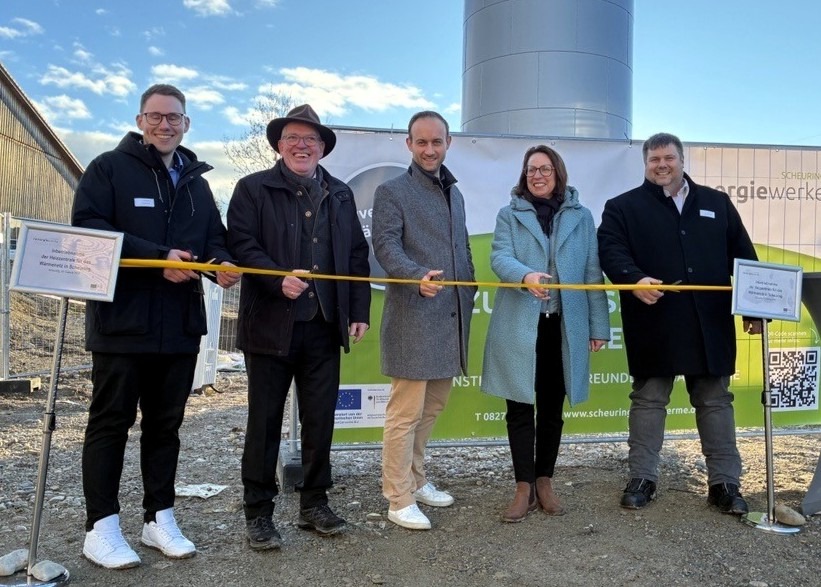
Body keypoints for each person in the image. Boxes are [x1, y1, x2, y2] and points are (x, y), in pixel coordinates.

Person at [72, 84, 240, 569]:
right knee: (111, 423)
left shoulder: (197, 184)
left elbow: (214, 238)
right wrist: (156, 257)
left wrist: (221, 265)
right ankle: (101, 527)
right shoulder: (108, 168)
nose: (165, 125)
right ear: (140, 120)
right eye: (156, 116)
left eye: (174, 117)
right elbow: (89, 229)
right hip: (122, 324)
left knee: (166, 426)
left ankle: (158, 517)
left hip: (179, 326)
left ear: (187, 123)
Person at [226, 104, 371, 550]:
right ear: (279, 144)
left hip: (324, 326)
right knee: (264, 423)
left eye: (310, 139)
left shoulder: (341, 194)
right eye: (293, 137)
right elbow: (241, 243)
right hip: (270, 326)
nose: (302, 145)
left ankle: (314, 503)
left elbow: (356, 255)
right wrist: (276, 279)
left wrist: (358, 310)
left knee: (320, 421)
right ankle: (258, 512)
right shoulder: (252, 189)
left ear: (322, 147)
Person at [597, 132, 762, 515]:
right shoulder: (622, 207)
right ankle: (642, 479)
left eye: (668, 158)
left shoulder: (717, 203)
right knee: (649, 400)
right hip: (654, 321)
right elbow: (610, 249)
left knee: (715, 401)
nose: (662, 165)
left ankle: (724, 484)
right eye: (654, 159)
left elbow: (744, 256)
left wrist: (754, 309)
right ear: (645, 163)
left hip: (710, 323)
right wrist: (634, 278)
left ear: (682, 160)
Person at [482, 145, 610, 522]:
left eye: (545, 169)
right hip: (518, 325)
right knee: (519, 407)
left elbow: (592, 274)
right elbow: (499, 257)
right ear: (524, 175)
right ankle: (523, 487)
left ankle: (544, 481)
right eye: (531, 169)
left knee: (552, 408)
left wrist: (598, 326)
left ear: (558, 173)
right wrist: (525, 275)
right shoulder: (509, 214)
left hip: (563, 326)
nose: (537, 176)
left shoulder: (582, 217)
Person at [372, 111, 476, 530]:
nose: (429, 149)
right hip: (414, 318)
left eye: (436, 141)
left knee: (431, 409)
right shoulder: (391, 191)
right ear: (409, 145)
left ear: (448, 143)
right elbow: (385, 246)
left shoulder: (456, 194)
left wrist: (469, 287)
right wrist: (417, 276)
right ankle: (398, 497)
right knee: (405, 415)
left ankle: (415, 479)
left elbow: (462, 247)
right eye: (421, 142)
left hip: (450, 319)